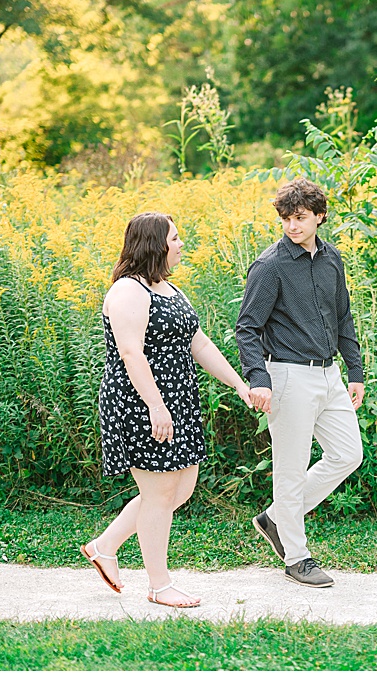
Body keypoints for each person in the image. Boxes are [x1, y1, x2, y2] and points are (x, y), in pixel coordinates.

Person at [82, 212, 253, 608]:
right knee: (159, 493)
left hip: (179, 400)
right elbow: (130, 353)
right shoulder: (128, 292)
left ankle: (105, 546)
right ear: (155, 244)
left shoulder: (167, 289)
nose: (181, 245)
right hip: (142, 402)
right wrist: (156, 407)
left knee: (179, 489)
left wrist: (240, 386)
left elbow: (201, 345)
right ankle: (159, 585)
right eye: (175, 238)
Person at [235, 177, 366, 589]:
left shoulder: (332, 260)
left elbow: (342, 316)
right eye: (286, 218)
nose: (292, 226)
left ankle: (276, 517)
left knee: (348, 454)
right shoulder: (270, 265)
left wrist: (355, 371)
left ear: (320, 217)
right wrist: (260, 379)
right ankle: (296, 557)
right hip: (287, 376)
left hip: (329, 375)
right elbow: (247, 328)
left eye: (300, 218)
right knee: (289, 472)